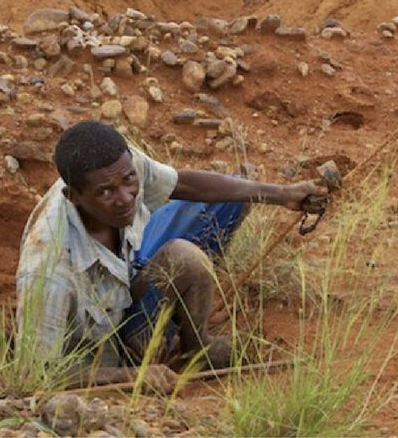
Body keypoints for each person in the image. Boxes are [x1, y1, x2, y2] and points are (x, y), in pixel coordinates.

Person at [16, 119, 325, 388]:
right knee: (184, 256)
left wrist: (282, 195)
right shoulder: (49, 270)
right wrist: (131, 376)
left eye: (129, 181)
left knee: (231, 198)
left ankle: (196, 344)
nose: (126, 199)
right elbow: (37, 373)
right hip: (109, 346)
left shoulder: (117, 165)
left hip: (130, 270)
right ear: (74, 197)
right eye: (106, 192)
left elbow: (183, 184)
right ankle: (143, 345)